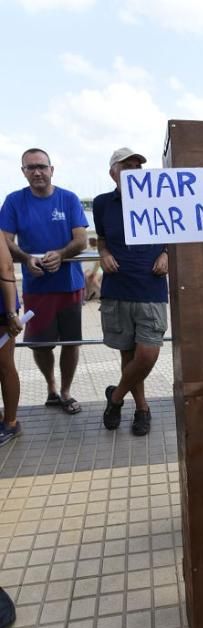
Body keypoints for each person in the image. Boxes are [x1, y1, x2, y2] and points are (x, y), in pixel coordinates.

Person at [0, 148, 88, 414]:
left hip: (70, 285)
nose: (37, 172)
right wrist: (26, 258)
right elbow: (5, 241)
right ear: (23, 172)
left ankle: (66, 391)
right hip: (36, 287)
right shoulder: (14, 201)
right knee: (40, 344)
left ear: (52, 169)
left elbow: (82, 240)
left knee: (71, 343)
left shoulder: (69, 198)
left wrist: (61, 254)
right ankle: (51, 388)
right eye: (30, 167)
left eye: (41, 166)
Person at [92, 147, 168, 436]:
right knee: (128, 356)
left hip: (151, 287)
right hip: (118, 288)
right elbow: (100, 239)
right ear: (113, 173)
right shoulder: (101, 204)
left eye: (138, 167)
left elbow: (174, 232)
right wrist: (103, 253)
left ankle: (115, 397)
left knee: (147, 355)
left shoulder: (158, 199)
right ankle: (142, 408)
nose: (134, 171)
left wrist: (167, 254)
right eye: (127, 167)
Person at [0, 232, 22, 446]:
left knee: (4, 364)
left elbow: (6, 268)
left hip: (1, 308)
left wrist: (10, 313)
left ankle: (11, 422)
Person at [84, 237, 102, 301]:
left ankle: (104, 295)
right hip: (96, 270)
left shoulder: (96, 251)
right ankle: (88, 295)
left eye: (88, 243)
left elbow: (97, 264)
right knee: (87, 278)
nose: (88, 244)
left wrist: (93, 272)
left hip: (99, 269)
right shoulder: (92, 251)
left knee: (94, 280)